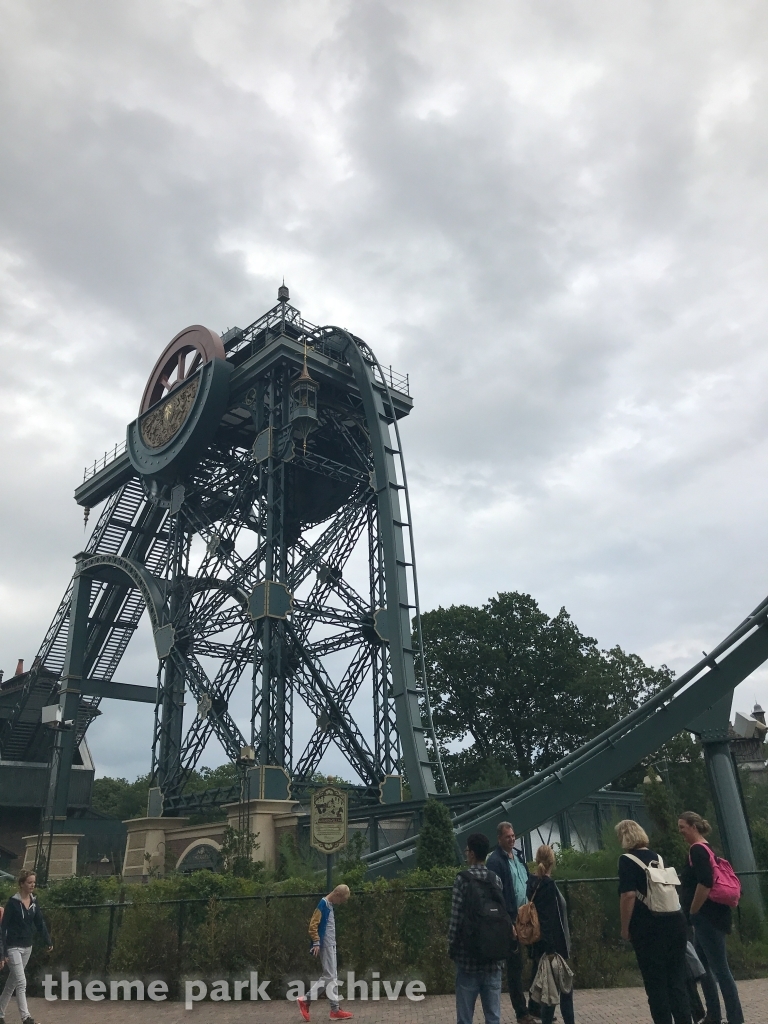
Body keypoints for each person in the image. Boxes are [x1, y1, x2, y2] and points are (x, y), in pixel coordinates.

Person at [615, 819, 691, 1024]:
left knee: (655, 984)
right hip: (675, 921)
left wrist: (625, 928)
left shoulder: (626, 860)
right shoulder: (657, 857)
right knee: (676, 980)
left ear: (623, 837)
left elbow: (628, 895)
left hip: (649, 927)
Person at [678, 811, 744, 1024]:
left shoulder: (697, 850)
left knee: (720, 969)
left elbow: (705, 882)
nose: (681, 832)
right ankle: (713, 1014)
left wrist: (693, 911)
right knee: (704, 967)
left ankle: (735, 1017)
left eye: (683, 827)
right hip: (710, 916)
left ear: (693, 827)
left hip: (707, 917)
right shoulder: (707, 848)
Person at [448, 832, 507, 1024]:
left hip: (468, 960)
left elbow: (455, 919)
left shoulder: (462, 880)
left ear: (472, 854)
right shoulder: (495, 879)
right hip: (493, 959)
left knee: (465, 1018)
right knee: (493, 1017)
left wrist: (453, 949)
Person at [486, 821, 538, 1024]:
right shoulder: (495, 861)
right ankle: (521, 1013)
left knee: (536, 960)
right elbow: (495, 895)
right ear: (499, 838)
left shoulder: (518, 857)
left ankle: (536, 1006)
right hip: (512, 921)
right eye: (508, 836)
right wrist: (508, 923)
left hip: (528, 918)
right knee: (515, 967)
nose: (512, 839)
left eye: (513, 835)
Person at [527, 845, 574, 1024]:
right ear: (552, 861)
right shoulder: (547, 886)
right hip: (554, 947)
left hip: (541, 945)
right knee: (565, 990)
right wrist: (551, 949)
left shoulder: (533, 884)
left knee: (549, 993)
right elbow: (549, 919)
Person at [0, 869, 53, 1024]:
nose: (32, 885)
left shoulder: (34, 902)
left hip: (27, 947)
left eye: (34, 882)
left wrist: (47, 940)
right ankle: (26, 1018)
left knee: (13, 983)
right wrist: (2, 952)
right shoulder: (12, 903)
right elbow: (3, 928)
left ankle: (0, 1012)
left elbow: (39, 922)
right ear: (22, 884)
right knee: (22, 982)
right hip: (13, 947)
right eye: (29, 882)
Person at [298, 884, 353, 1021]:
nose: (340, 903)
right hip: (326, 945)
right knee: (329, 976)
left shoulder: (329, 905)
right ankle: (306, 1000)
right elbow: (313, 924)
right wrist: (316, 941)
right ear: (337, 895)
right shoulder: (323, 904)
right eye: (342, 900)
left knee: (332, 976)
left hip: (331, 944)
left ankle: (335, 1010)